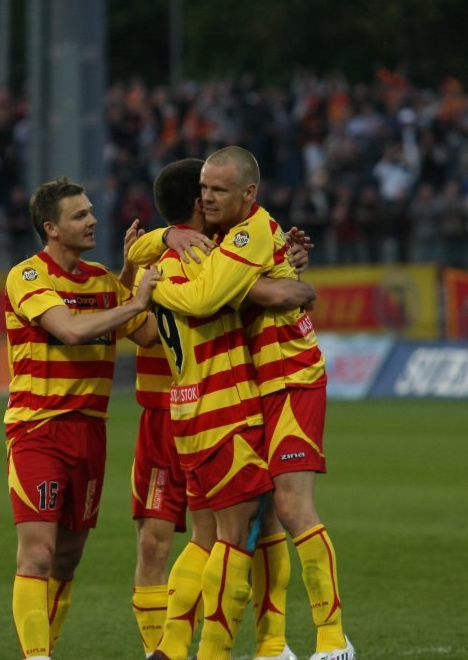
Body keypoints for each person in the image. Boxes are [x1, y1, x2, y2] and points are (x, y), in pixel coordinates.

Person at [150, 148, 355, 660]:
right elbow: (262, 292)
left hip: (290, 376)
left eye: (218, 189)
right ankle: (271, 646)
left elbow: (208, 297)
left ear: (249, 193)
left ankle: (333, 640)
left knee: (288, 508)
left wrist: (152, 286)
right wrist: (166, 238)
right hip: (245, 391)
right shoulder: (214, 240)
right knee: (255, 523)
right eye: (203, 189)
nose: (207, 197)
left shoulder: (247, 233)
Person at [4, 177, 160, 660]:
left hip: (90, 431)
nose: (93, 220)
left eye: (91, 211)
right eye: (80, 215)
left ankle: (44, 646)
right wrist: (133, 301)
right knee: (38, 553)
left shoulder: (104, 282)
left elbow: (150, 335)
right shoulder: (28, 276)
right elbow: (69, 331)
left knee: (68, 558)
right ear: (51, 228)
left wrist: (140, 280)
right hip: (38, 428)